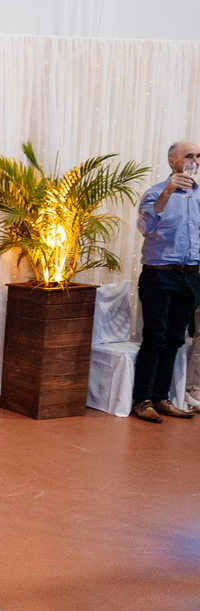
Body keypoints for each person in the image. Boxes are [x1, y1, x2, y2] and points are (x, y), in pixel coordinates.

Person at [130, 140, 200, 423]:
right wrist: (170, 189)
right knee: (155, 337)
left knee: (175, 339)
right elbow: (145, 226)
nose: (194, 160)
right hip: (160, 275)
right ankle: (142, 400)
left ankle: (161, 397)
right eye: (188, 155)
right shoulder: (156, 192)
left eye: (198, 155)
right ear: (173, 161)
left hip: (192, 277)